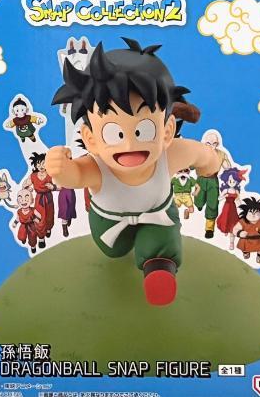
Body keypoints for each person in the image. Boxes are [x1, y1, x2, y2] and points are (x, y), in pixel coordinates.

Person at [45, 38, 221, 306]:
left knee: (161, 243)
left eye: (143, 131)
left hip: (158, 215)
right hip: (108, 224)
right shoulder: (96, 167)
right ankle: (130, 249)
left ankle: (159, 269)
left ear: (167, 131)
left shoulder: (171, 154)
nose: (129, 145)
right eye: (114, 133)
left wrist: (211, 166)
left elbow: (202, 156)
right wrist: (60, 169)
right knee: (114, 251)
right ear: (91, 139)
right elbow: (75, 176)